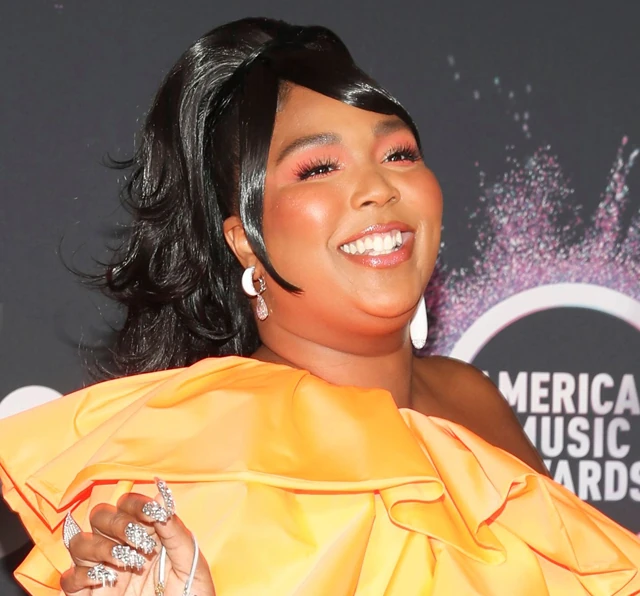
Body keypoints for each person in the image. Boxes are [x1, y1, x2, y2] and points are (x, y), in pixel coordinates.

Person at [1, 16, 639, 596]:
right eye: (318, 169)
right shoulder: (201, 447)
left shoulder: (473, 402)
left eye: (398, 154)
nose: (376, 188)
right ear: (245, 241)